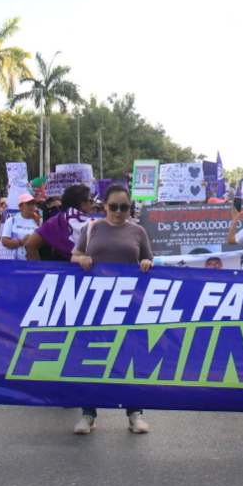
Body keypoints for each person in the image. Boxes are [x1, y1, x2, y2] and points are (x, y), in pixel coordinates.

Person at [71, 184, 154, 435]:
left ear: (131, 207)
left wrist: (148, 262)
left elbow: (148, 260)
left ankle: (134, 413)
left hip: (128, 305)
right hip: (95, 304)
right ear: (104, 206)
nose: (119, 211)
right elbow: (73, 255)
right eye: (114, 206)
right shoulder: (91, 228)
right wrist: (81, 259)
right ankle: (88, 414)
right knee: (91, 357)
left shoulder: (138, 231)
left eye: (125, 207)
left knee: (129, 359)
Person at [25, 185, 95, 262]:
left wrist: (37, 270)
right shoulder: (94, 225)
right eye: (90, 201)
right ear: (83, 205)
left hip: (57, 273)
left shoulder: (54, 221)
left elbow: (30, 245)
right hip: (88, 272)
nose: (92, 205)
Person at [0, 193, 42, 261]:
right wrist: (21, 242)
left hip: (33, 262)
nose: (31, 206)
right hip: (14, 262)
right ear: (20, 206)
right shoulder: (11, 221)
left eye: (33, 204)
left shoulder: (39, 221)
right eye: (28, 204)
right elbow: (5, 241)